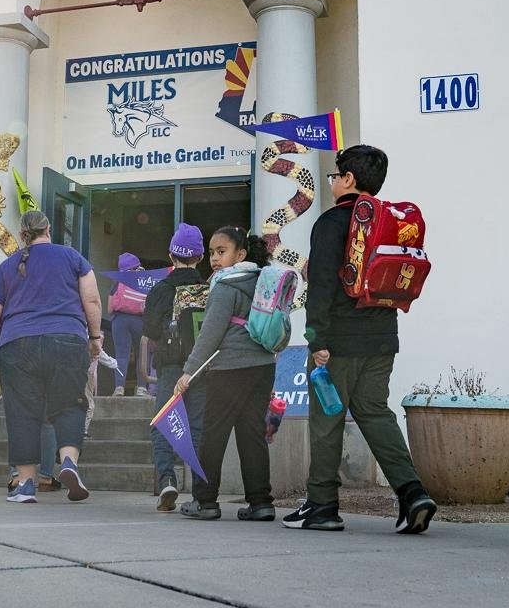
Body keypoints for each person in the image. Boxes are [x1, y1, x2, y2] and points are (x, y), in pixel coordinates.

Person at [285, 145, 437, 534]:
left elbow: (319, 286)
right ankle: (412, 492)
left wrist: (315, 337)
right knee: (375, 412)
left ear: (348, 180)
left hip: (336, 343)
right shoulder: (387, 220)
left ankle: (322, 505)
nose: (332, 182)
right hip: (382, 339)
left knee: (327, 419)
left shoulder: (332, 223)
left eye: (335, 176)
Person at [0, 209, 101, 505]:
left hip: (17, 344)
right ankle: (68, 462)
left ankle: (27, 484)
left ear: (21, 236)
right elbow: (91, 299)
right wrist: (95, 337)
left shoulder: (7, 266)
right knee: (69, 403)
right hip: (66, 340)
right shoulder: (72, 257)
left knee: (22, 412)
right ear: (49, 230)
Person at [177, 227, 278, 521]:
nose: (215, 259)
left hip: (229, 367)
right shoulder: (262, 280)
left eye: (222, 252)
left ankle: (205, 501)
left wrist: (188, 371)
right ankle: (261, 503)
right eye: (211, 252)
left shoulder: (226, 285)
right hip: (263, 366)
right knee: (252, 435)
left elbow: (210, 333)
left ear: (241, 254)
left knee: (213, 434)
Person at [142, 223, 206, 511]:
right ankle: (202, 491)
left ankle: (167, 479)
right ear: (201, 257)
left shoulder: (161, 289)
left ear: (171, 255)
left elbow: (151, 330)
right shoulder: (210, 288)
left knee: (165, 421)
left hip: (169, 367)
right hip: (202, 368)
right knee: (197, 427)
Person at [108, 252, 153, 395]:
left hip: (120, 321)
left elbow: (109, 308)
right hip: (140, 321)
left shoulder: (118, 283)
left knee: (121, 355)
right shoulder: (144, 282)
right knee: (142, 355)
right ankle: (141, 388)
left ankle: (119, 388)